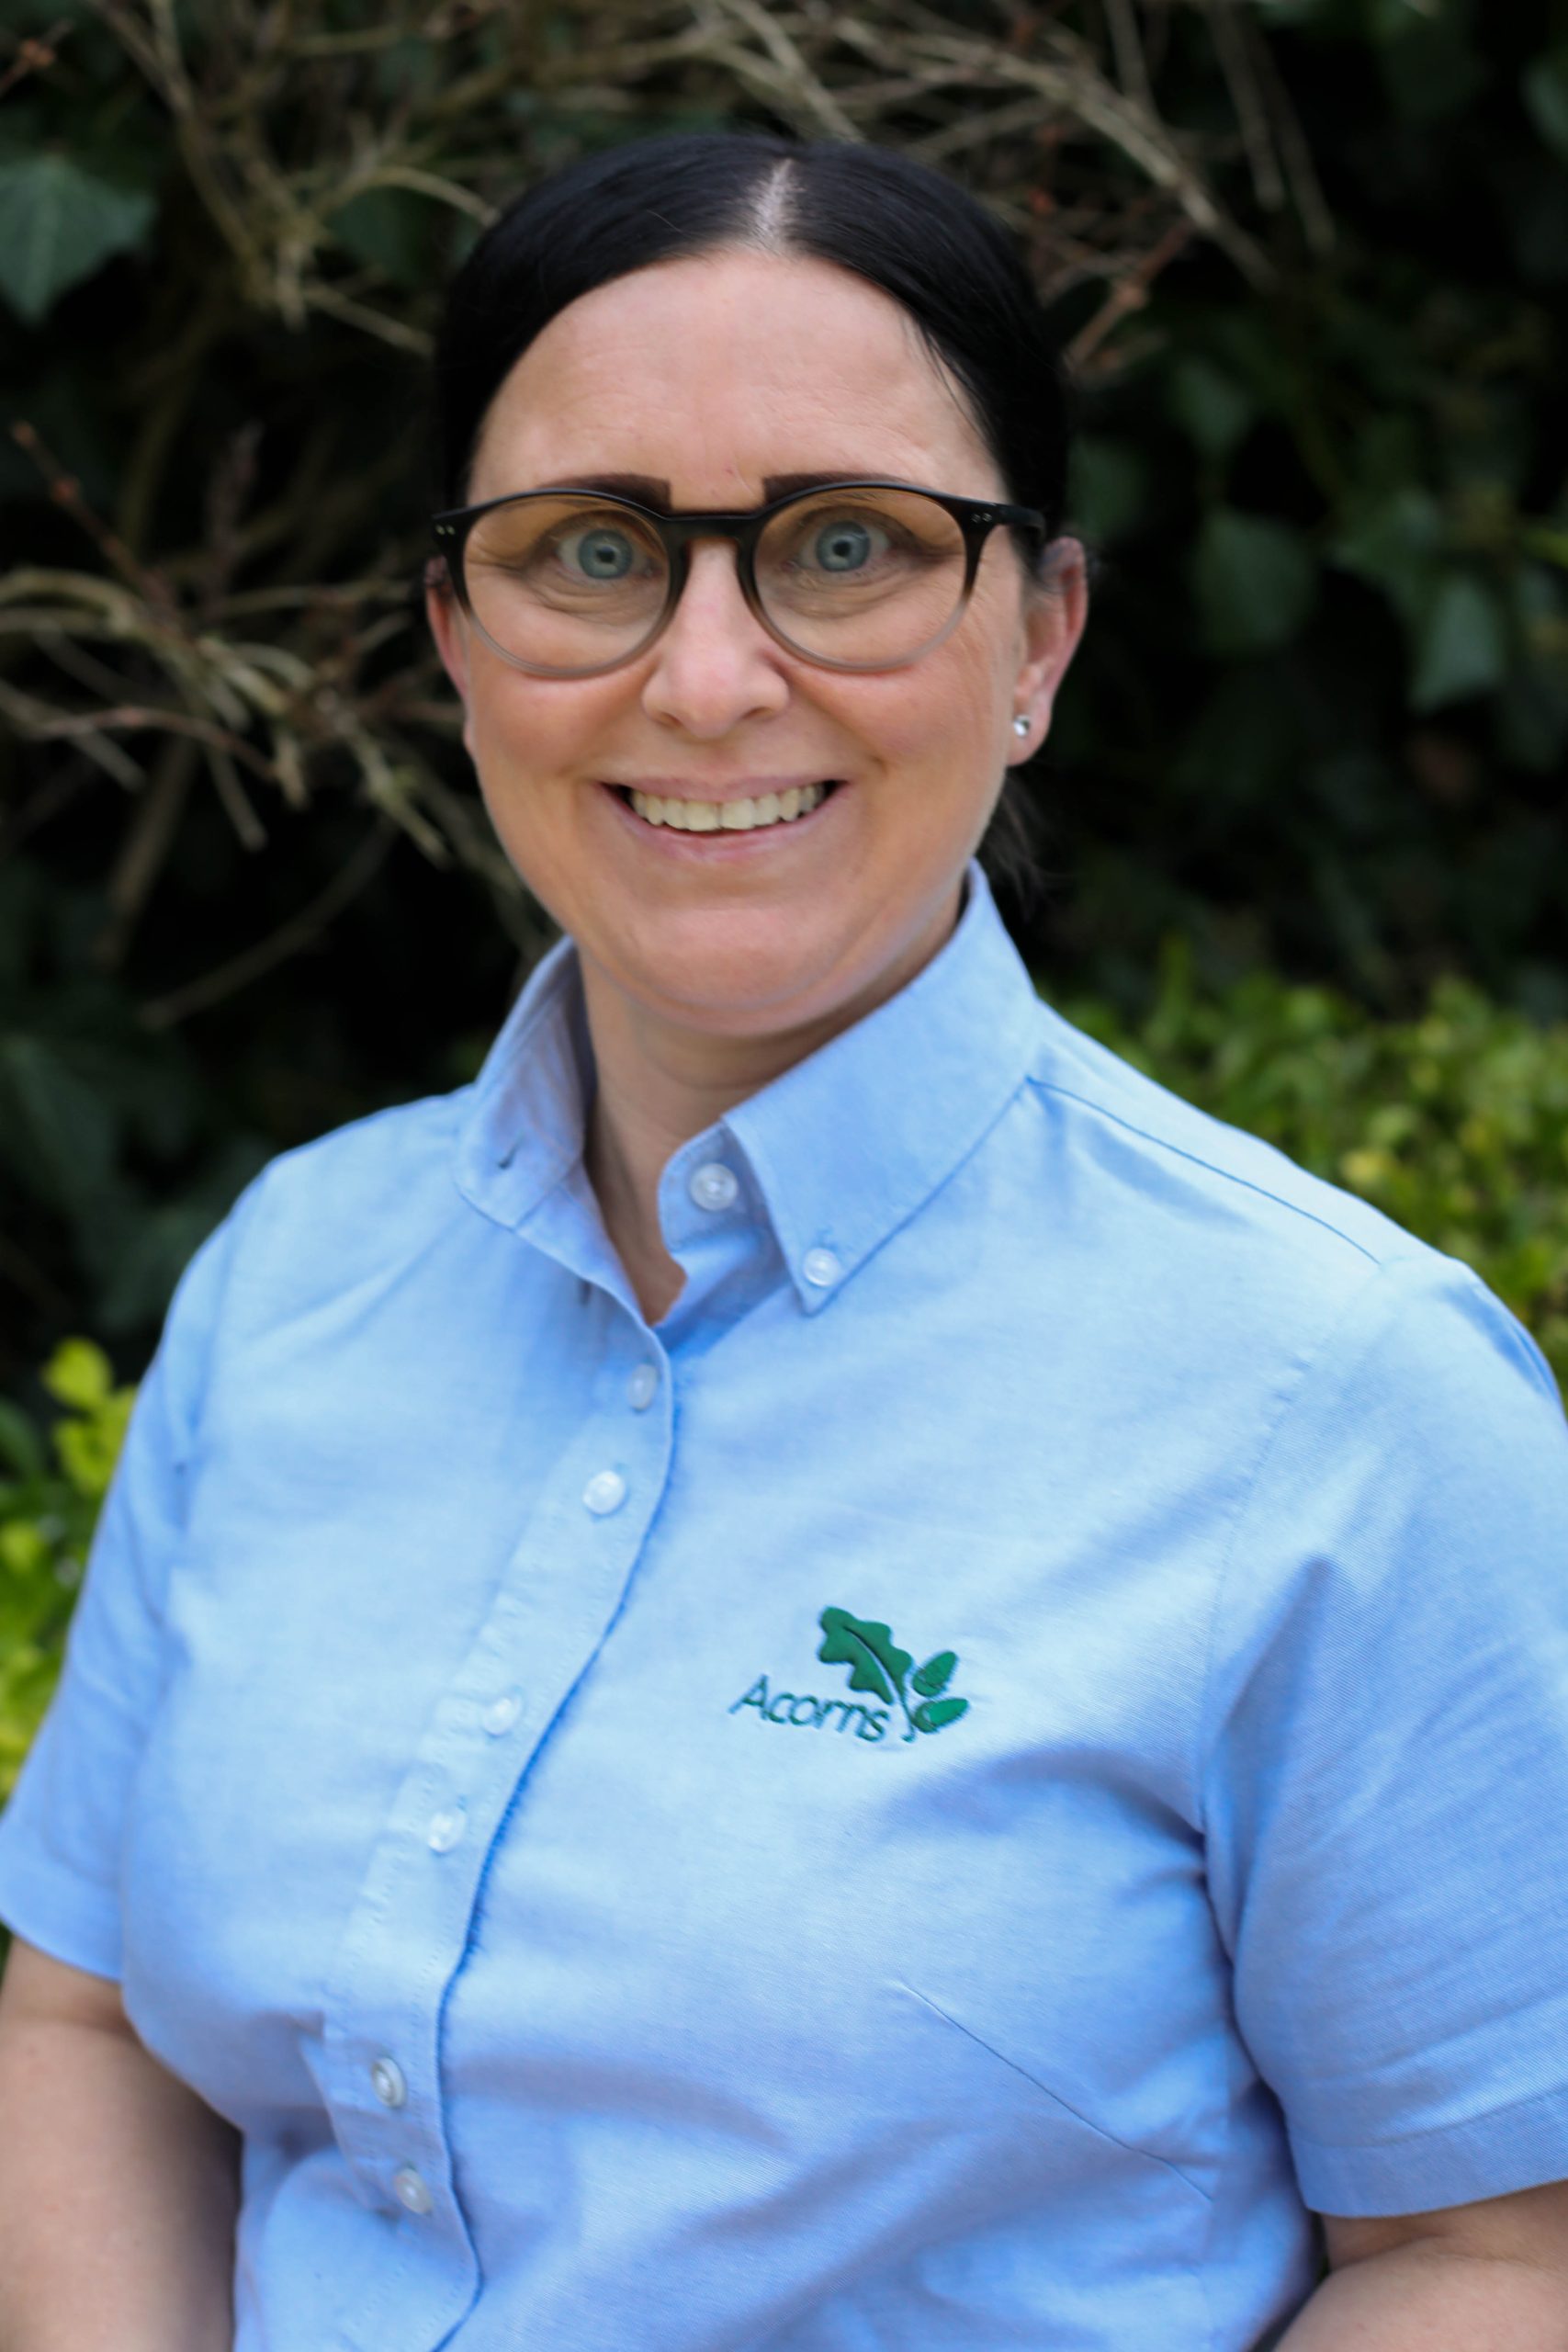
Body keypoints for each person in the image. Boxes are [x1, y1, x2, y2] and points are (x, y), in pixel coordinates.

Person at [0, 130, 1565, 2352]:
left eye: (842, 547)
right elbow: (87, 2016)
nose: (708, 675)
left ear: (1036, 637)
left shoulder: (1344, 1402)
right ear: (455, 640)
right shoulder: (294, 1276)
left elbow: (1500, 2249)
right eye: (593, 550)